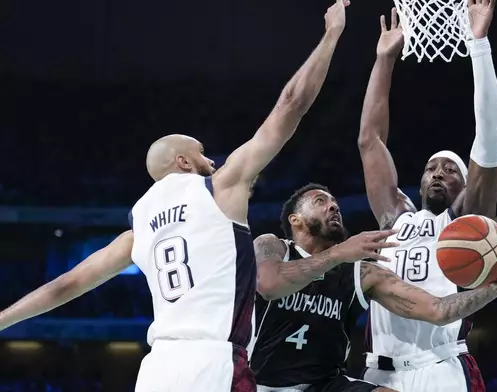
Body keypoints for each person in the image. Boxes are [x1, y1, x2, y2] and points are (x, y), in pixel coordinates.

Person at [0, 2, 350, 390]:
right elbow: (290, 105)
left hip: (157, 369)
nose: (212, 160)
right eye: (201, 152)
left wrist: (2, 319)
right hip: (214, 362)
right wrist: (331, 34)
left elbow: (64, 286)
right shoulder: (219, 189)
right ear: (183, 161)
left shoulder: (138, 229)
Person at [356, 1, 497, 391]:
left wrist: (479, 45)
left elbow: (489, 139)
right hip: (379, 372)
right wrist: (384, 59)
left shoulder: (467, 223)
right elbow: (369, 141)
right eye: (431, 168)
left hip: (439, 367)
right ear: (418, 182)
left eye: (450, 169)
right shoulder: (395, 217)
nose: (438, 173)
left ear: (464, 184)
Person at [250, 183, 497, 392]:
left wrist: (492, 289)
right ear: (295, 220)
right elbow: (270, 285)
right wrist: (339, 253)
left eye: (335, 203)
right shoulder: (274, 247)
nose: (333, 207)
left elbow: (437, 310)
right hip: (260, 383)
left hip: (326, 385)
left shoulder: (361, 272)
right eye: (321, 201)